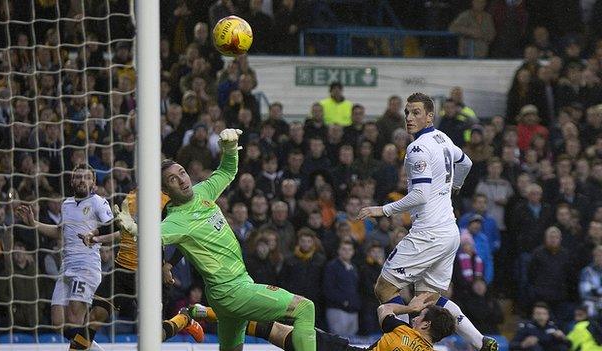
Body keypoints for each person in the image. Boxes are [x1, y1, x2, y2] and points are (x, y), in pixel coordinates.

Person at [145, 128, 316, 351]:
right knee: (304, 308)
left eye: (182, 173)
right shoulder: (176, 220)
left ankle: (196, 313)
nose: (182, 180)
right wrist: (132, 229)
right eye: (173, 179)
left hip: (230, 290)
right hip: (231, 291)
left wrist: (229, 148)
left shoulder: (202, 191)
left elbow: (226, 170)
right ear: (165, 189)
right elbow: (150, 237)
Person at [357, 93, 497, 351]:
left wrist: (383, 209)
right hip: (450, 233)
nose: (410, 117)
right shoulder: (443, 138)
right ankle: (481, 342)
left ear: (430, 115)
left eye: (416, 112)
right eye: (407, 112)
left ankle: (402, 341)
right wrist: (454, 186)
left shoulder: (417, 148)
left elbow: (419, 195)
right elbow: (466, 162)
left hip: (428, 233)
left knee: (385, 288)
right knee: (429, 301)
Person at [75, 190, 204, 350]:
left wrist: (168, 266)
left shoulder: (169, 202)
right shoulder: (132, 195)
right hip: (122, 270)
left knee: (154, 335)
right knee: (94, 316)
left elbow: (185, 237)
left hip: (151, 275)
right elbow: (118, 223)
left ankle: (184, 319)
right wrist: (94, 233)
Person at [15, 164, 113, 350]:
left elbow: (115, 230)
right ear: (72, 181)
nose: (82, 180)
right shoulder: (66, 204)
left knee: (75, 317)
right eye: (78, 177)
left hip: (87, 267)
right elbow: (60, 231)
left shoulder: (98, 202)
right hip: (66, 267)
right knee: (58, 322)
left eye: (86, 177)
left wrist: (97, 237)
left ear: (93, 182)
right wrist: (33, 223)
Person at [189, 293, 455, 351]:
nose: (415, 316)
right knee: (282, 333)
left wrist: (409, 305)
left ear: (425, 325)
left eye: (419, 316)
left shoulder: (402, 330)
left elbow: (384, 307)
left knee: (279, 329)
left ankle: (205, 313)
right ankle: (205, 314)